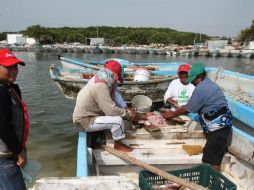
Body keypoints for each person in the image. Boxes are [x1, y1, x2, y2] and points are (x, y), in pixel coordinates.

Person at [162, 63, 232, 172]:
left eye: (193, 80)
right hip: (216, 123)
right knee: (209, 154)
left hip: (219, 126)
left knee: (213, 159)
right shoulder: (207, 83)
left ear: (199, 78)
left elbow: (188, 108)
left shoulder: (201, 88)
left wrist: (170, 114)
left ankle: (214, 182)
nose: (192, 83)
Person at [73, 60, 137, 152]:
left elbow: (114, 98)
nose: (117, 81)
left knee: (118, 116)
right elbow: (111, 111)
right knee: (117, 122)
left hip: (89, 115)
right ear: (114, 75)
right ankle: (118, 145)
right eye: (117, 78)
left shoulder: (100, 78)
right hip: (84, 121)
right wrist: (129, 114)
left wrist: (125, 109)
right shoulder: (101, 86)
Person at [0, 48, 29, 190]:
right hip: (5, 156)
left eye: (15, 66)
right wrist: (19, 151)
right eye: (8, 67)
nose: (14, 70)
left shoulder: (10, 88)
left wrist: (22, 145)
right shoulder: (1, 92)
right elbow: (3, 127)